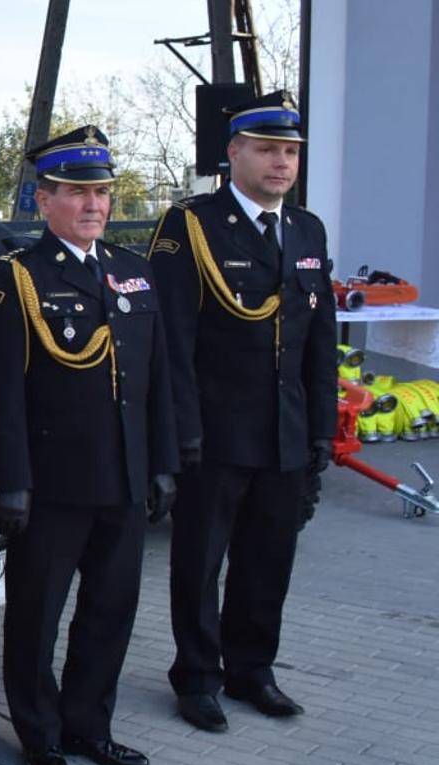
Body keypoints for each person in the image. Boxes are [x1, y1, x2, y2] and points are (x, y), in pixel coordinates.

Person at [0, 126, 178, 765]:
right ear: (43, 198)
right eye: (78, 193)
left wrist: (164, 461)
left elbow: (159, 380)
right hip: (52, 484)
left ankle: (90, 725)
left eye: (102, 193)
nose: (93, 206)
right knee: (36, 619)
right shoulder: (16, 278)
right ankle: (41, 734)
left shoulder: (134, 271)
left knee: (110, 613)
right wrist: (11, 484)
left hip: (122, 478)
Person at [151, 91, 335, 732]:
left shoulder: (307, 230)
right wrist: (180, 433)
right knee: (200, 562)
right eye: (267, 149)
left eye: (290, 151)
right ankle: (197, 676)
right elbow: (171, 340)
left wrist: (321, 432)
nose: (281, 162)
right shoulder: (192, 227)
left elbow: (320, 344)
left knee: (268, 559)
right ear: (235, 153)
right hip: (215, 431)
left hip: (284, 432)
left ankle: (252, 669)